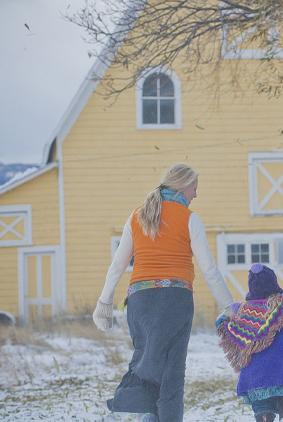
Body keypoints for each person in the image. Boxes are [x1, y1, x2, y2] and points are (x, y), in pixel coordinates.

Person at [92, 163, 235, 422]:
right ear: (182, 186)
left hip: (139, 300)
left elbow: (118, 264)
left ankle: (148, 414)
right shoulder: (189, 218)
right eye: (194, 188)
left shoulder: (136, 215)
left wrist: (104, 301)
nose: (195, 194)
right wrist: (228, 305)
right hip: (174, 301)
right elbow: (209, 269)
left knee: (147, 360)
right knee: (172, 374)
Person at [215, 263, 283, 422]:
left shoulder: (244, 313)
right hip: (281, 370)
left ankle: (265, 418)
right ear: (274, 284)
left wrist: (222, 323)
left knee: (262, 408)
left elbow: (227, 328)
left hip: (255, 377)